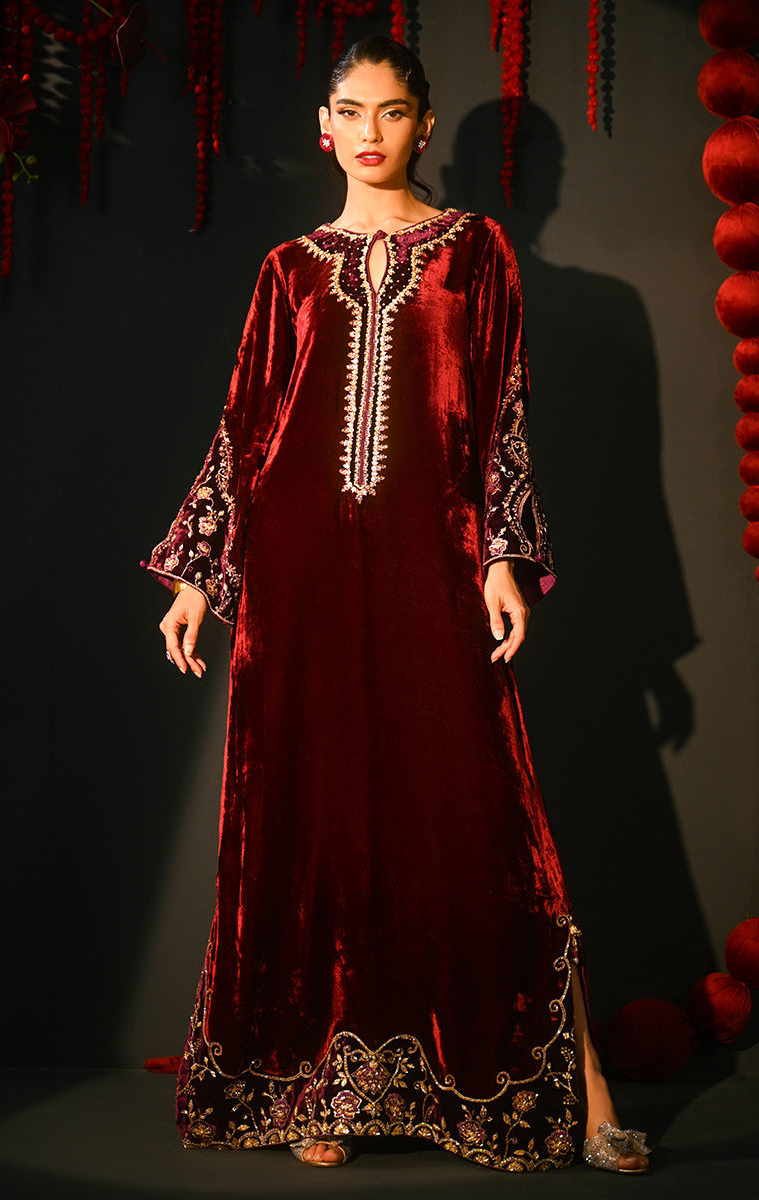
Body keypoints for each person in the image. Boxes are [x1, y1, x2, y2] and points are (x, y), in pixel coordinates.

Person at [141, 33, 651, 1175]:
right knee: (310, 811)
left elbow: (502, 410)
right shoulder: (287, 267)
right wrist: (196, 576)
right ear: (322, 128)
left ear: (422, 125)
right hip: (300, 575)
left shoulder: (476, 251)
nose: (370, 132)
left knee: (484, 819)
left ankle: (577, 1091)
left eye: (392, 111)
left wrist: (502, 555)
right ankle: (314, 1080)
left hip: (433, 560)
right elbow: (245, 426)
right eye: (350, 111)